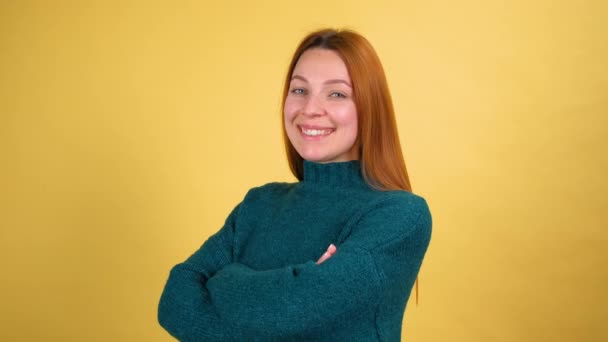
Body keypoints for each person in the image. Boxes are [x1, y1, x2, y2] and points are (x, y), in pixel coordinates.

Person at [158, 28, 432, 341]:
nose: (310, 109)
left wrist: (223, 281)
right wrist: (294, 286)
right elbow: (174, 301)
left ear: (370, 106)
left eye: (337, 93)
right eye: (299, 90)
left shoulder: (400, 216)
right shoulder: (258, 205)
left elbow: (295, 307)